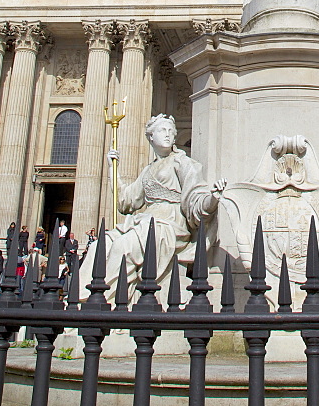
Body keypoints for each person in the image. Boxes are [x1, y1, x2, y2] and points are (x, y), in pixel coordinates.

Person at [79, 114, 227, 304]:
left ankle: (101, 301)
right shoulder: (148, 170)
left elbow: (196, 199)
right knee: (98, 246)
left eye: (170, 131)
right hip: (144, 222)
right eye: (162, 130)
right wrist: (112, 169)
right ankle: (81, 298)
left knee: (122, 247)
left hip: (169, 225)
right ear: (151, 137)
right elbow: (127, 201)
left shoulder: (183, 163)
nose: (167, 135)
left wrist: (212, 199)